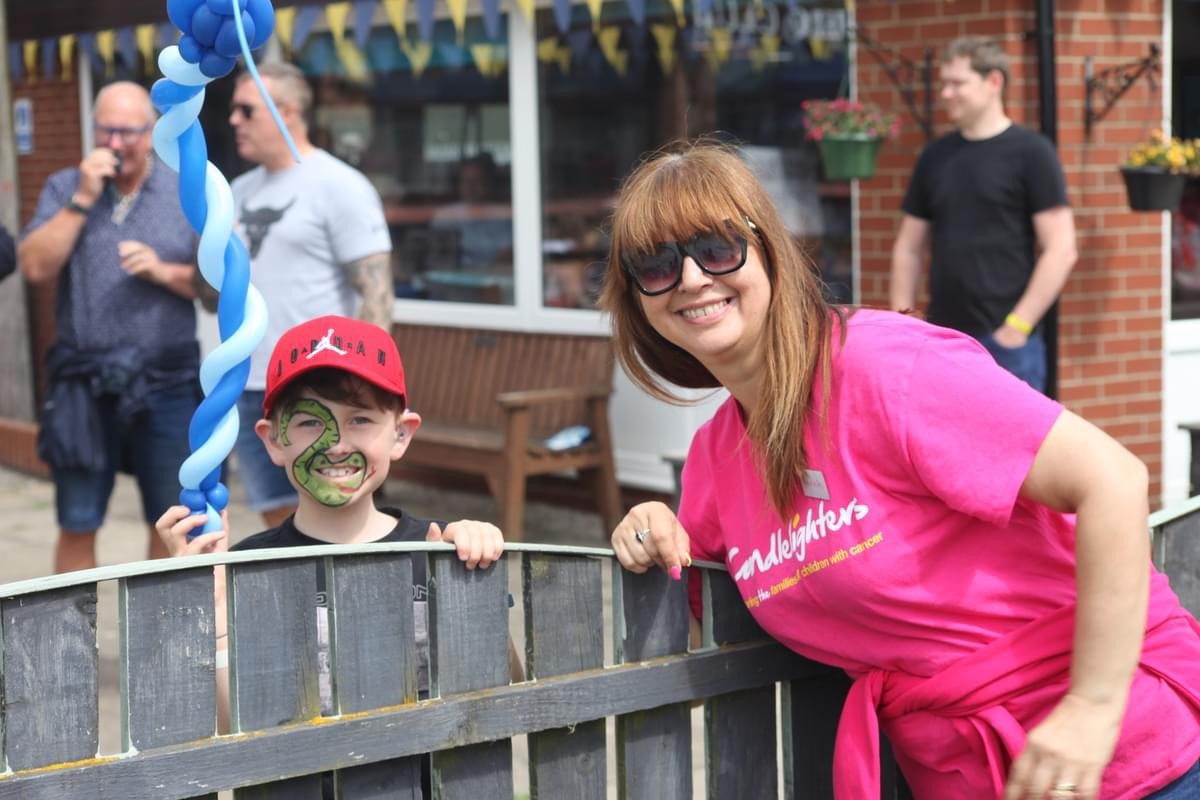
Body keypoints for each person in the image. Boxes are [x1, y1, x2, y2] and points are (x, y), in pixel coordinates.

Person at [602, 140, 1200, 800]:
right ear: (637, 298)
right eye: (655, 265)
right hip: (964, 777)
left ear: (767, 250)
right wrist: (650, 524)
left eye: (716, 249)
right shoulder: (716, 463)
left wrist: (1092, 709)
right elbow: (693, 620)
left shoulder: (887, 367)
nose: (689, 279)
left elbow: (1113, 478)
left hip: (1129, 762)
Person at [157, 315, 517, 788]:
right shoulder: (245, 571)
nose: (336, 444)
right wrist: (214, 617)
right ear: (272, 441)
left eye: (361, 419)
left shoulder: (438, 549)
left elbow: (507, 693)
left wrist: (473, 592)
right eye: (310, 422)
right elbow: (232, 726)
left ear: (401, 434)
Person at [19, 81, 201, 574]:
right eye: (106, 131)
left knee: (173, 519)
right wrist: (81, 199)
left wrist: (164, 272)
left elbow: (216, 288)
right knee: (77, 519)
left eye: (130, 132)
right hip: (84, 380)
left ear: (153, 132)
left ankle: (159, 644)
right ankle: (70, 648)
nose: (117, 143)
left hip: (166, 380)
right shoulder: (64, 185)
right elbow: (34, 266)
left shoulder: (183, 188)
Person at [218, 62, 394, 528]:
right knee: (276, 518)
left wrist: (363, 388)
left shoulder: (339, 186)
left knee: (334, 506)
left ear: (287, 112)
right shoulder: (236, 191)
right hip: (250, 380)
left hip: (316, 382)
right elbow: (214, 288)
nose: (233, 120)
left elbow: (375, 293)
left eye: (246, 110)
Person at [890, 36, 1078, 394]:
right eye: (943, 83)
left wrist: (1016, 328)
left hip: (1007, 345)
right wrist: (905, 325)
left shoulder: (1031, 153)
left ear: (994, 81)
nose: (945, 93)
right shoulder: (935, 157)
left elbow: (1062, 248)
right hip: (941, 341)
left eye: (957, 83)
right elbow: (908, 248)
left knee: (1015, 449)